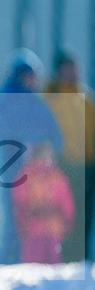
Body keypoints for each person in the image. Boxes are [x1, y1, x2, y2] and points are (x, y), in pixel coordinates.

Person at [0, 50, 63, 265]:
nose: (32, 80)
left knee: (40, 218)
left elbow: (55, 134)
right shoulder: (6, 98)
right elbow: (5, 129)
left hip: (40, 173)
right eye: (28, 75)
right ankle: (10, 262)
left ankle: (38, 261)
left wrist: (49, 150)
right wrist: (28, 144)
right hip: (14, 171)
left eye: (34, 75)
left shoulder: (37, 102)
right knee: (16, 218)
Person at [43, 47, 95, 261]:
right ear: (58, 70)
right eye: (68, 68)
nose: (73, 72)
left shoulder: (85, 98)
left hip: (88, 166)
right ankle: (65, 259)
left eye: (75, 67)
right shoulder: (49, 97)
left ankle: (82, 259)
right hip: (63, 166)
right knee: (66, 216)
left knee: (85, 216)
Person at [11, 142, 75, 264]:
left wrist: (22, 222)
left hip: (43, 229)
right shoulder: (55, 176)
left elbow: (19, 203)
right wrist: (67, 222)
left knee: (36, 266)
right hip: (42, 229)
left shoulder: (53, 176)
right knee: (47, 266)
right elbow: (67, 205)